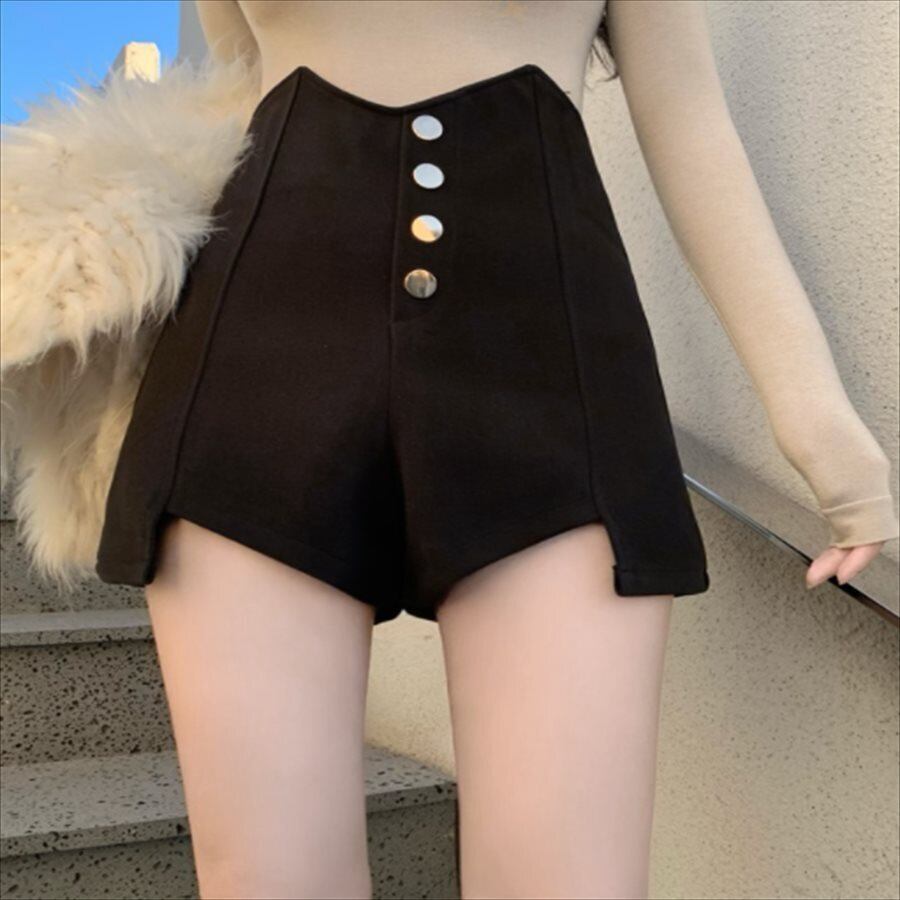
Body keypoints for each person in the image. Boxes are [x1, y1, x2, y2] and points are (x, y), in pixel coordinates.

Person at [3, 2, 897, 899]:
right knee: (270, 880)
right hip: (249, 369)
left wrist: (819, 426)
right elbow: (241, 92)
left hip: (548, 376)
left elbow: (691, 124)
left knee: (565, 882)